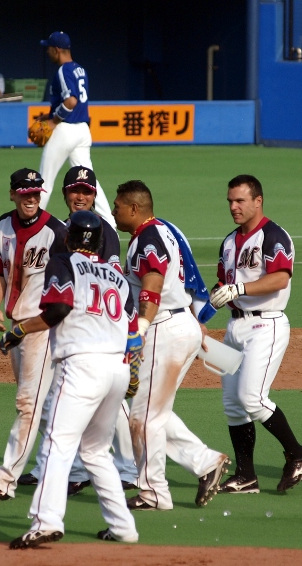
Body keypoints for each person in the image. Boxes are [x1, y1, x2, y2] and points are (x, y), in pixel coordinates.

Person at [6, 211, 141, 549]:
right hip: (116, 370)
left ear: (68, 239)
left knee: (57, 443)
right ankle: (124, 527)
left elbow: (58, 310)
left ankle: (46, 521)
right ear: (98, 242)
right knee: (95, 451)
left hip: (82, 365)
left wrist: (19, 329)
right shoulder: (117, 276)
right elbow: (133, 331)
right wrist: (133, 373)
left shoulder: (64, 263)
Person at [112, 180, 229, 511]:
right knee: (150, 411)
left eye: (118, 205)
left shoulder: (148, 238)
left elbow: (153, 281)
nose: (113, 210)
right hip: (177, 325)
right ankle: (206, 462)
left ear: (134, 209)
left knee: (143, 417)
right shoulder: (161, 230)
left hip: (164, 330)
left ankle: (153, 493)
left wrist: (142, 327)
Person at [20, 166, 138, 493]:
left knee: (110, 407)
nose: (81, 196)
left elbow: (115, 285)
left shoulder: (105, 231)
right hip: (75, 328)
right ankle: (67, 470)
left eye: (87, 191)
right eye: (75, 190)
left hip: (100, 329)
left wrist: (130, 337)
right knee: (61, 402)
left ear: (94, 195)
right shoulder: (64, 228)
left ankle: (128, 468)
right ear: (65, 193)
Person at [208, 175, 302, 494]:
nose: (234, 207)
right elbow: (222, 284)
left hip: (265, 326)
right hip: (234, 327)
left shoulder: (273, 236)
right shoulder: (229, 241)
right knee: (232, 403)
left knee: (251, 397)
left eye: (240, 201)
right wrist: (215, 295)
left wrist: (237, 288)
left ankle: (298, 453)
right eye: (230, 201)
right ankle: (246, 476)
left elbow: (280, 278)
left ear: (258, 201)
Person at [0, 168, 68, 502]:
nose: (31, 198)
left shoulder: (57, 232)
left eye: (36, 193)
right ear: (13, 194)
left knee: (28, 403)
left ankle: (5, 480)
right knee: (44, 407)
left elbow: (65, 292)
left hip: (42, 328)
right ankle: (74, 465)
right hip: (16, 329)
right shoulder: (4, 225)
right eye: (24, 193)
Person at [35, 32, 114, 227]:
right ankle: (111, 224)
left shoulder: (63, 71)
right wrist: (49, 115)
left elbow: (71, 101)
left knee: (44, 179)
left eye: (49, 49)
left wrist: (53, 121)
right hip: (82, 130)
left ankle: (34, 224)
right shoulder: (80, 69)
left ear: (57, 50)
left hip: (66, 130)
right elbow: (73, 102)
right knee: (90, 180)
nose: (47, 52)